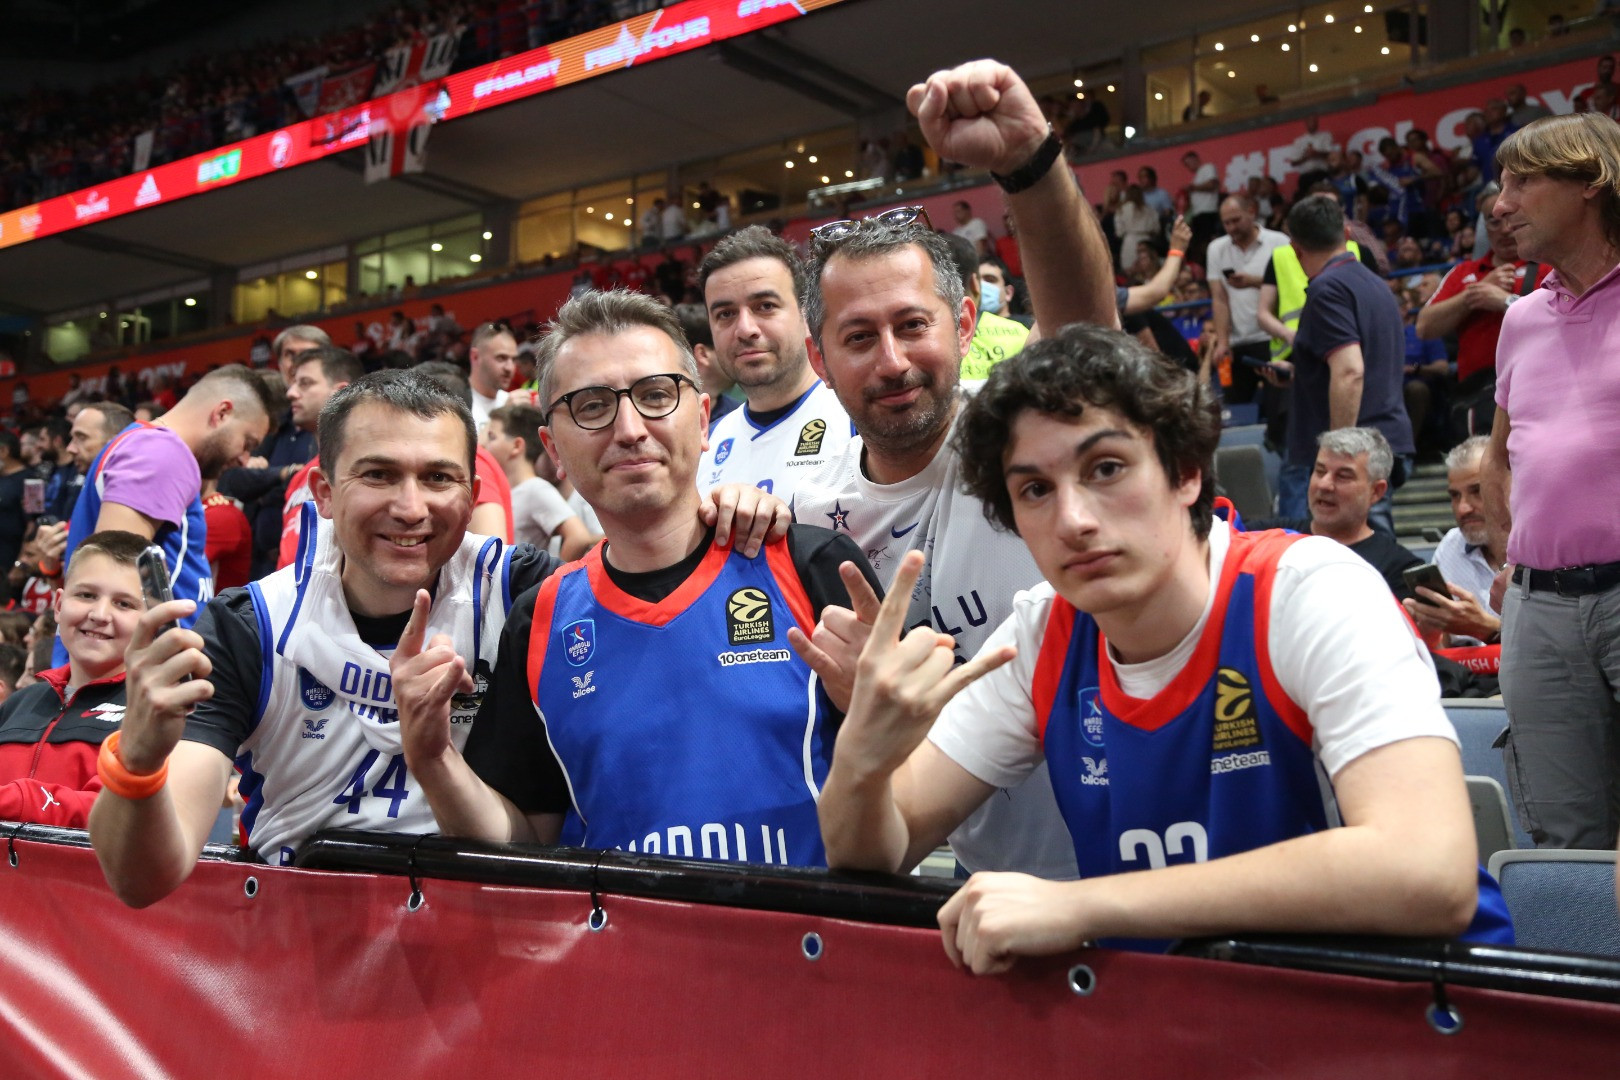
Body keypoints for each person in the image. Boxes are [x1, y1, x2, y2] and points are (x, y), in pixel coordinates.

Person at [816, 325, 1512, 969]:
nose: (1074, 520)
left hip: (1413, 1014)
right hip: (1196, 1021)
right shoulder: (1041, 634)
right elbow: (880, 848)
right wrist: (862, 758)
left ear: (1184, 473)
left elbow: (1428, 872)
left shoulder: (1310, 590)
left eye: (1107, 468)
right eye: (1034, 489)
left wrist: (1084, 905)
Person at [88, 368, 791, 905]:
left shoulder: (532, 594)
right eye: (379, 475)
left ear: (473, 491)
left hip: (491, 936)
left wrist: (717, 519)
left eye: (439, 478)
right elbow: (144, 879)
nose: (411, 507)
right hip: (304, 942)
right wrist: (139, 762)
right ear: (323, 493)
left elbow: (655, 582)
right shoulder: (246, 628)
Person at [392, 291, 874, 864]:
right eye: (592, 406)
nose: (629, 429)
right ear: (554, 448)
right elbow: (527, 842)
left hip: (811, 946)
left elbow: (917, 780)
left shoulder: (812, 566)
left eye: (654, 395)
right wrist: (433, 760)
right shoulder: (539, 619)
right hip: (622, 949)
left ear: (701, 420)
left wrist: (881, 708)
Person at [795, 58, 1122, 882]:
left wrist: (1031, 168)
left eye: (914, 324)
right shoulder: (800, 503)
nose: (895, 361)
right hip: (988, 888)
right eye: (859, 337)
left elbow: (1090, 347)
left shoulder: (1015, 430)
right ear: (818, 356)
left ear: (968, 321)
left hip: (1145, 866)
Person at [1482, 113, 1620, 849]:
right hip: (1539, 609)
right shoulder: (1522, 320)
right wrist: (1512, 562)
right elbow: (1500, 456)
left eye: (1523, 181)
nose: (1500, 203)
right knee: (1568, 839)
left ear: (1591, 183)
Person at [56, 364, 275, 666]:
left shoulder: (146, 443)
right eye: (247, 442)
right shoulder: (162, 452)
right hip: (128, 683)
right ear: (222, 413)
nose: (244, 458)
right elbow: (107, 580)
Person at [1268, 195, 1413, 528]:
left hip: (1357, 449)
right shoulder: (1376, 285)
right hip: (1384, 434)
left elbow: (1350, 371)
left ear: (1295, 248)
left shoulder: (1327, 288)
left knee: (1357, 561)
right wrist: (1300, 374)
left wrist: (1338, 455)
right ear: (1347, 233)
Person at [0, 531, 146, 827]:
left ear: (151, 620)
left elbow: (112, 810)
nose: (100, 613)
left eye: (123, 604)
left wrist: (21, 799)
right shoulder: (19, 704)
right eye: (86, 595)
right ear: (58, 605)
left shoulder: (151, 711)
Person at [696, 226, 852, 503]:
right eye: (725, 314)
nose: (745, 329)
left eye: (765, 306)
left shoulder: (857, 419)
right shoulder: (706, 443)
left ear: (806, 313)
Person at [1417, 182, 1553, 387]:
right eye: (1494, 221)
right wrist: (1472, 296)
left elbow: (1562, 321)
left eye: (1510, 216)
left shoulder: (1549, 266)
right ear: (1484, 227)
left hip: (1538, 382)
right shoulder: (1464, 272)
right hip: (1476, 393)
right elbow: (1424, 327)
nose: (1505, 229)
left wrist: (1506, 301)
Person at [1261, 428, 1423, 597]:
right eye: (1320, 471)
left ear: (1376, 492)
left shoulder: (1399, 571)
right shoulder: (1267, 537)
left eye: (1343, 476)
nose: (1324, 485)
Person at [1405, 436, 1504, 647]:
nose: (1463, 508)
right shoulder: (1451, 546)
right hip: (1466, 677)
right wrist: (1429, 634)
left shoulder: (1543, 547)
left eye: (1476, 491)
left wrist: (1488, 628)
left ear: (1509, 483)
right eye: (1455, 496)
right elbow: (1444, 648)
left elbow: (1561, 649)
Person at [275, 346, 366, 568]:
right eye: (294, 383)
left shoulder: (366, 472)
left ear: (340, 393)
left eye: (305, 383)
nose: (291, 393)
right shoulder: (302, 476)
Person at [1207, 195, 1289, 405]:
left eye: (1236, 220)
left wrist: (1255, 282)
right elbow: (1219, 298)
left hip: (1273, 340)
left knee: (1278, 409)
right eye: (1227, 223)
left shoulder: (1278, 242)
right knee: (1232, 409)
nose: (1232, 227)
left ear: (1252, 212)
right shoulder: (1216, 248)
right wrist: (1222, 341)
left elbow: (1290, 286)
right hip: (1236, 344)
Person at [483, 401, 592, 559]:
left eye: (492, 437)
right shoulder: (506, 491)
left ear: (516, 446)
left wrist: (552, 580)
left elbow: (579, 537)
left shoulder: (535, 488)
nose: (484, 445)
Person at [468, 322, 517, 431]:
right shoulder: (456, 403)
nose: (510, 368)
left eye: (513, 360)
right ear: (475, 357)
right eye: (501, 358)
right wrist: (503, 415)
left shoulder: (510, 402)